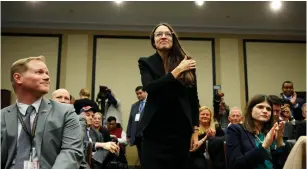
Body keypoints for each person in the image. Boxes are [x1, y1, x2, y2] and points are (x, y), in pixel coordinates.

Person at [1, 56, 83, 169]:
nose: (47, 77)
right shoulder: (2, 116)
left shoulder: (65, 113)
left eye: (47, 73)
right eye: (39, 72)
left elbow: (71, 152)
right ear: (18, 78)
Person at [137, 23, 200, 169]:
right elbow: (150, 87)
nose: (163, 36)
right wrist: (178, 70)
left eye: (167, 33)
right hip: (154, 132)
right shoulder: (146, 62)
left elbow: (193, 99)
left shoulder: (186, 62)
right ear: (153, 41)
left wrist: (195, 131)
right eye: (159, 34)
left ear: (173, 39)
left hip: (181, 132)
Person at [227, 94, 289, 169]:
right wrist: (264, 146)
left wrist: (279, 139)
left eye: (268, 109)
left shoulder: (269, 132)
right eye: (260, 107)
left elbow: (282, 164)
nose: (265, 111)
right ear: (250, 110)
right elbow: (235, 164)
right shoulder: (236, 129)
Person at [126, 86, 147, 164]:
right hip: (137, 135)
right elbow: (130, 120)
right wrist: (129, 134)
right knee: (140, 155)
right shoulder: (134, 106)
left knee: (147, 156)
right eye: (137, 94)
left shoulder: (150, 104)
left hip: (146, 135)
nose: (138, 95)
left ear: (145, 92)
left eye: (140, 93)